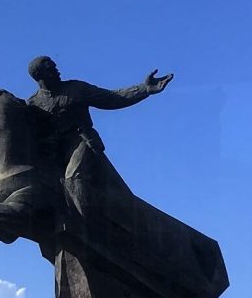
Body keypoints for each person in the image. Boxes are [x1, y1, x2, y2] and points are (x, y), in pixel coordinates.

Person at [26, 56, 173, 224]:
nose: (58, 70)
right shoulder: (33, 104)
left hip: (83, 141)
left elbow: (111, 97)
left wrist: (144, 88)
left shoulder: (76, 88)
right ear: (40, 75)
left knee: (73, 177)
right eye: (52, 68)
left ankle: (88, 227)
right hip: (56, 153)